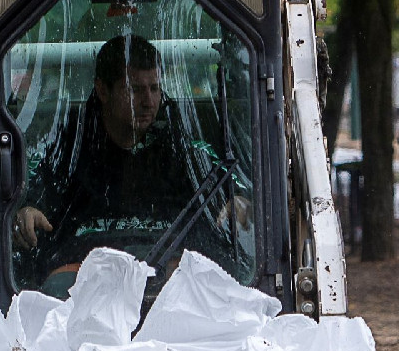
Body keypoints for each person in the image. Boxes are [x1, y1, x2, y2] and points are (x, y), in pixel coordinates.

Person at [13, 34, 247, 285]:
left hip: (169, 282)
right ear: (102, 90)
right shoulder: (68, 146)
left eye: (154, 89)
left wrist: (241, 200)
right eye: (135, 90)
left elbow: (228, 183)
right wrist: (26, 210)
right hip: (84, 284)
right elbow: (38, 191)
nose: (148, 102)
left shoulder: (183, 148)